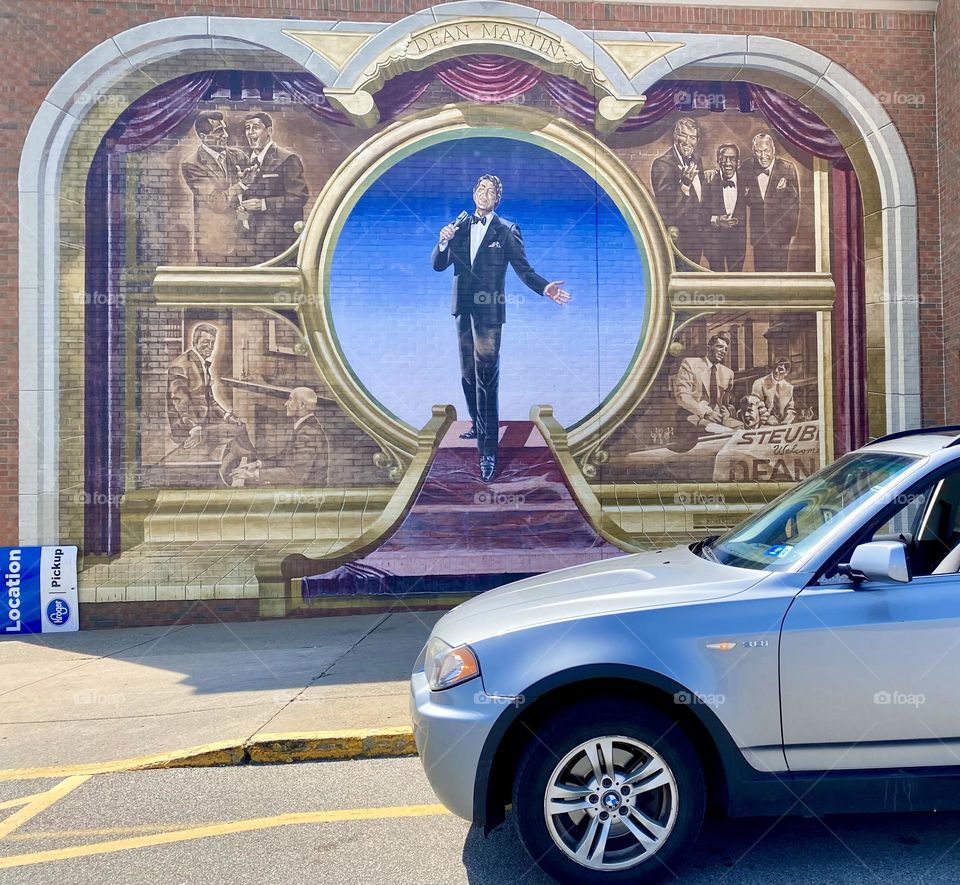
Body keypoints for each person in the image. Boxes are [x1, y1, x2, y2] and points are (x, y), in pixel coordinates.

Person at [432, 174, 570, 482]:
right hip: (463, 310)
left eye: (490, 191)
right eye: (480, 189)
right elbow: (438, 265)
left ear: (497, 199)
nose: (484, 194)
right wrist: (442, 241)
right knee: (467, 375)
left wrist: (545, 287)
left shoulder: (507, 231)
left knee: (486, 379)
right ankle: (478, 425)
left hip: (490, 314)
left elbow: (524, 269)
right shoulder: (460, 227)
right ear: (474, 193)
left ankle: (488, 453)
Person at [166, 323, 258, 486]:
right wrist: (193, 427)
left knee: (237, 425)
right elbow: (180, 402)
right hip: (188, 428)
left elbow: (210, 400)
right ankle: (251, 468)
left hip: (205, 422)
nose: (209, 347)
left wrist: (226, 415)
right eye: (205, 342)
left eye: (212, 343)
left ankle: (234, 472)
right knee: (239, 429)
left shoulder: (201, 363)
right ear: (195, 342)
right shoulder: (180, 365)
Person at [179, 111, 252, 265]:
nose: (225, 135)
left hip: (244, 239)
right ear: (204, 137)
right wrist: (242, 184)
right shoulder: (192, 164)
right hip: (215, 245)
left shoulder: (238, 156)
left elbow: (256, 187)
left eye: (225, 129)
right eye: (219, 131)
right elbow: (217, 202)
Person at [236, 112, 309, 263]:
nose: (250, 132)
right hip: (253, 244)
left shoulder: (287, 159)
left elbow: (298, 198)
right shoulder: (246, 163)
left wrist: (263, 204)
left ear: (269, 131)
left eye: (255, 127)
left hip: (280, 244)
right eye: (247, 128)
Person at [230, 387, 328, 486]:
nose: (286, 404)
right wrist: (258, 464)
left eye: (290, 399)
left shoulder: (308, 432)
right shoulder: (304, 427)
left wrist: (255, 474)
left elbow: (297, 475)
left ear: (302, 405)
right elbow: (284, 458)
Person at [651, 118, 709, 266]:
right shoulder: (662, 164)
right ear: (675, 136)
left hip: (697, 236)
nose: (688, 141)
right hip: (678, 239)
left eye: (693, 137)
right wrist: (684, 185)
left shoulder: (697, 160)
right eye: (684, 135)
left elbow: (699, 197)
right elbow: (666, 207)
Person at [744, 132, 800, 272]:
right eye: (758, 151)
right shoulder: (747, 166)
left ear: (773, 150)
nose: (762, 156)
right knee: (761, 279)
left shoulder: (787, 168)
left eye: (766, 151)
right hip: (759, 236)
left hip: (781, 235)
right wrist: (713, 172)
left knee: (780, 277)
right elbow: (731, 174)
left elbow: (794, 205)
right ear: (753, 152)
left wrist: (791, 233)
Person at [674, 335, 739, 429]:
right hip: (694, 414)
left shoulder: (728, 373)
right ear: (709, 348)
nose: (723, 351)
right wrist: (706, 413)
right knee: (717, 430)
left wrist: (727, 412)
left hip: (718, 417)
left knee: (740, 429)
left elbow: (725, 402)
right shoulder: (690, 364)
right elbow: (682, 396)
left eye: (725, 349)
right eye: (720, 346)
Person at [703, 144, 747, 272]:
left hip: (737, 243)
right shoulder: (708, 181)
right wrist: (716, 220)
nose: (728, 163)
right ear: (718, 161)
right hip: (714, 244)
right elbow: (701, 213)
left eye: (732, 159)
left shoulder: (746, 180)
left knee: (736, 282)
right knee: (717, 282)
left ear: (738, 162)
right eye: (724, 158)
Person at [751, 357, 797, 425]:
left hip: (781, 425)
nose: (776, 371)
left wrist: (787, 420)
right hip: (763, 424)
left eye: (780, 369)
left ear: (786, 372)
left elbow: (790, 409)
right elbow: (755, 405)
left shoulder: (789, 388)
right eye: (775, 367)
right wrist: (768, 418)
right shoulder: (759, 383)